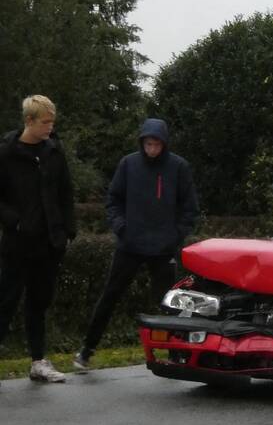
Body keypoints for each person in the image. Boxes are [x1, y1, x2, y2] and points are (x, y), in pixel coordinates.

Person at [73, 118, 199, 370]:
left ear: (164, 144)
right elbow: (113, 200)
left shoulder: (178, 167)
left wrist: (175, 235)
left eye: (156, 145)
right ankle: (87, 350)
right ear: (142, 142)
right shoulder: (128, 164)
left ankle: (177, 354)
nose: (152, 149)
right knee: (110, 295)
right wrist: (121, 227)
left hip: (163, 248)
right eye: (148, 144)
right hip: (130, 244)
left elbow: (190, 208)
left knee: (170, 302)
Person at [0, 95, 76, 384]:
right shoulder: (6, 153)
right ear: (29, 121)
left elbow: (65, 192)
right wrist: (14, 221)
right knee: (6, 301)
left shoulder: (54, 151)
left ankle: (38, 361)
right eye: (45, 122)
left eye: (52, 122)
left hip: (49, 242)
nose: (50, 127)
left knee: (39, 303)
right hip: (17, 243)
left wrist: (68, 230)